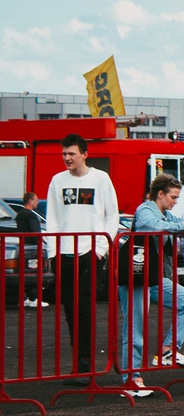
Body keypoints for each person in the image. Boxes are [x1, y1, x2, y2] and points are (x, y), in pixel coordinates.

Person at [43, 134, 119, 375]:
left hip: (89, 252)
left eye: (72, 154)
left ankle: (85, 363)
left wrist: (100, 249)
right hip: (63, 253)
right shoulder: (57, 180)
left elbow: (112, 216)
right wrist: (52, 252)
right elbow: (52, 218)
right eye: (64, 154)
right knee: (69, 308)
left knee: (84, 306)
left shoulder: (101, 179)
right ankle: (79, 362)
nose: (67, 158)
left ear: (85, 154)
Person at [127, 174, 184, 388]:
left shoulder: (166, 214)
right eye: (173, 197)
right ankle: (131, 380)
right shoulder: (145, 209)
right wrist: (183, 226)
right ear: (160, 194)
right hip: (137, 276)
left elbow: (180, 225)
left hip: (154, 277)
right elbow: (152, 225)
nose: (176, 201)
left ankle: (168, 350)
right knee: (134, 330)